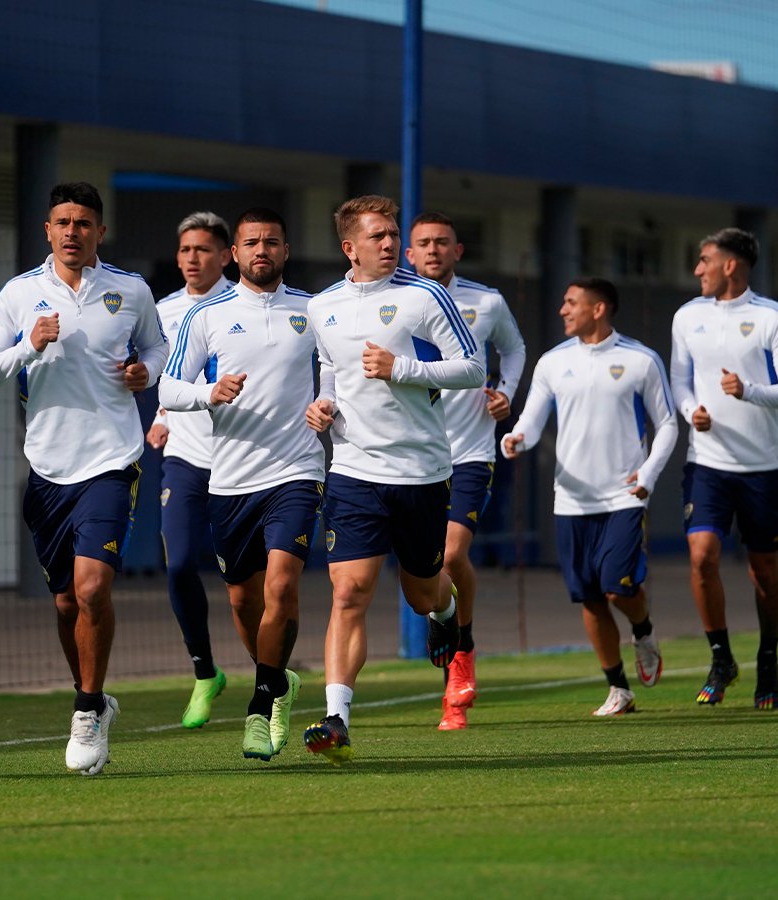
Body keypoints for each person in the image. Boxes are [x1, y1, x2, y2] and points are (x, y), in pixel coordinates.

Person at [0, 182, 168, 774]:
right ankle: (96, 696)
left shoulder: (129, 290)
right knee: (62, 601)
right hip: (48, 466)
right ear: (47, 231)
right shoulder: (19, 294)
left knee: (91, 590)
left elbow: (159, 351)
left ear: (100, 232)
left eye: (84, 222)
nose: (73, 231)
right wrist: (28, 346)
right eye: (62, 222)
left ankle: (85, 710)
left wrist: (143, 373)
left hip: (112, 459)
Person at [301, 195, 484, 763]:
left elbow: (473, 368)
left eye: (392, 234)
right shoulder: (322, 307)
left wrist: (401, 369)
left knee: (421, 592)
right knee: (349, 592)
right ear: (348, 247)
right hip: (354, 470)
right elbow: (330, 372)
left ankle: (448, 616)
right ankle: (337, 719)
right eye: (377, 236)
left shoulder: (424, 296)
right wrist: (322, 406)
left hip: (422, 472)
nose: (389, 243)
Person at [160, 207, 322, 761]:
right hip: (230, 479)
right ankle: (279, 679)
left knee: (282, 587)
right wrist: (210, 393)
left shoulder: (313, 311)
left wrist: (330, 406)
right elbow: (169, 389)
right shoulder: (204, 316)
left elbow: (343, 376)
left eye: (271, 242)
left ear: (285, 250)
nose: (261, 250)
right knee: (242, 599)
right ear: (236, 254)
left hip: (297, 469)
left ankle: (259, 705)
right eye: (251, 242)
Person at [502, 278, 675, 716]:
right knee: (591, 598)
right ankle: (619, 689)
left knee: (618, 589)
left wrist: (649, 475)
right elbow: (531, 422)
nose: (563, 309)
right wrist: (516, 439)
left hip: (624, 495)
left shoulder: (641, 360)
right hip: (572, 500)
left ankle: (643, 628)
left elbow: (669, 424)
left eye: (571, 302)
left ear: (599, 309)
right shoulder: (552, 363)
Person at [670, 227, 778, 709]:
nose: (697, 269)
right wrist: (692, 413)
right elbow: (680, 384)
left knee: (763, 570)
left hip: (763, 468)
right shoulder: (687, 317)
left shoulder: (773, 317)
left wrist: (749, 390)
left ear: (730, 265)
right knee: (702, 556)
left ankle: (768, 659)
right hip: (706, 462)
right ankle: (721, 656)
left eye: (704, 259)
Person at [405, 211, 527, 731]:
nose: (432, 250)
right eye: (423, 244)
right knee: (423, 571)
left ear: (458, 250)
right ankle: (448, 630)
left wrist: (505, 393)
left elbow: (515, 348)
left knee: (453, 553)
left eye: (442, 243)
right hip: (410, 455)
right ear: (409, 255)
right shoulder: (395, 303)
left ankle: (463, 651)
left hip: (471, 450)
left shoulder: (487, 302)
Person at [145, 212, 233, 728]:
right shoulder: (163, 311)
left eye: (203, 250)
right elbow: (165, 375)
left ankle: (270, 674)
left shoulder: (243, 303)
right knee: (178, 563)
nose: (192, 259)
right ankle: (204, 671)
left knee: (244, 580)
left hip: (247, 461)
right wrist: (159, 417)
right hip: (185, 455)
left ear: (226, 256)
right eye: (185, 250)